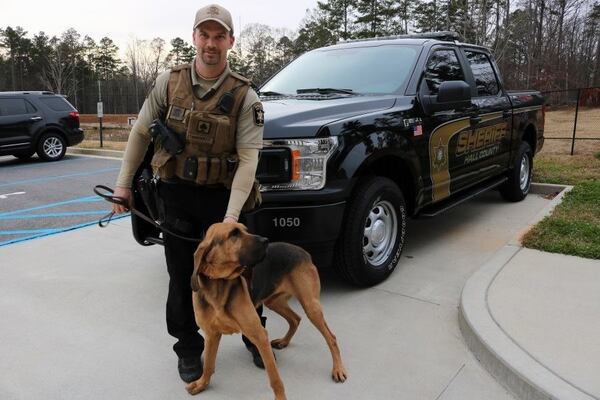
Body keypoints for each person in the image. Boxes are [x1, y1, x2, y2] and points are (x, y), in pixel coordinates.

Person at [111, 4, 266, 383]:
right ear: (194, 37)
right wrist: (123, 184)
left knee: (243, 274)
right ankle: (187, 348)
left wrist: (231, 219)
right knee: (182, 275)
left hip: (225, 197)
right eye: (204, 35)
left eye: (219, 36)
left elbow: (248, 159)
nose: (211, 44)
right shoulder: (169, 82)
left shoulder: (246, 96)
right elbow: (140, 133)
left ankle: (253, 335)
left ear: (230, 40)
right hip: (177, 193)